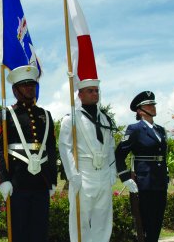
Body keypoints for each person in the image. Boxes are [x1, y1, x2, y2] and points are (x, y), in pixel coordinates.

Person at [0, 65, 57, 242]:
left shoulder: (45, 115)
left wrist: (52, 180)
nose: (30, 88)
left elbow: (51, 149)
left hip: (41, 182)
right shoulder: (6, 115)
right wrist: (2, 179)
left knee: (40, 232)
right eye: (25, 85)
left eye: (32, 84)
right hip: (17, 182)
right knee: (19, 232)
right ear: (15, 90)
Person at [59, 79, 117, 242]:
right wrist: (72, 174)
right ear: (80, 94)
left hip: (104, 173)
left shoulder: (105, 119)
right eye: (90, 91)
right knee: (80, 219)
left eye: (96, 90)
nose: (95, 94)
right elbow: (65, 147)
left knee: (103, 218)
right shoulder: (71, 119)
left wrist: (112, 170)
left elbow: (111, 147)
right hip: (83, 174)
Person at [115, 91, 169, 242]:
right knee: (145, 223)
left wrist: (167, 174)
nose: (153, 107)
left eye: (153, 104)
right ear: (140, 110)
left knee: (157, 222)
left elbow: (163, 155)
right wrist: (125, 177)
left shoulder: (160, 130)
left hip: (160, 182)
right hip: (144, 182)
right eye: (149, 105)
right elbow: (119, 154)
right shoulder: (135, 129)